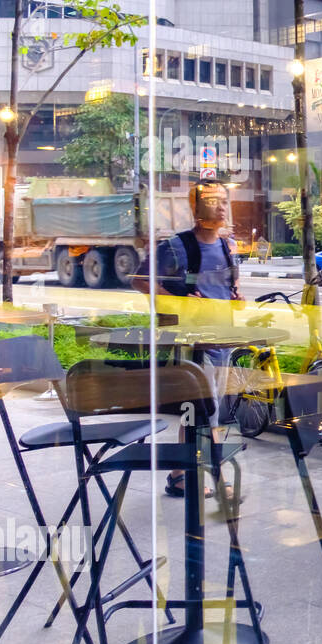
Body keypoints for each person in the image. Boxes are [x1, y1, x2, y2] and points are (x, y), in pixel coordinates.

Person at [132, 181, 242, 500]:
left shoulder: (228, 245)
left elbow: (226, 288)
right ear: (198, 209)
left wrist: (236, 297)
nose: (221, 207)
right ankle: (216, 474)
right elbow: (140, 280)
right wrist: (178, 301)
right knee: (208, 412)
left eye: (224, 201)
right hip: (193, 343)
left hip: (223, 339)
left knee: (196, 411)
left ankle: (179, 475)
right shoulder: (177, 246)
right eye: (213, 202)